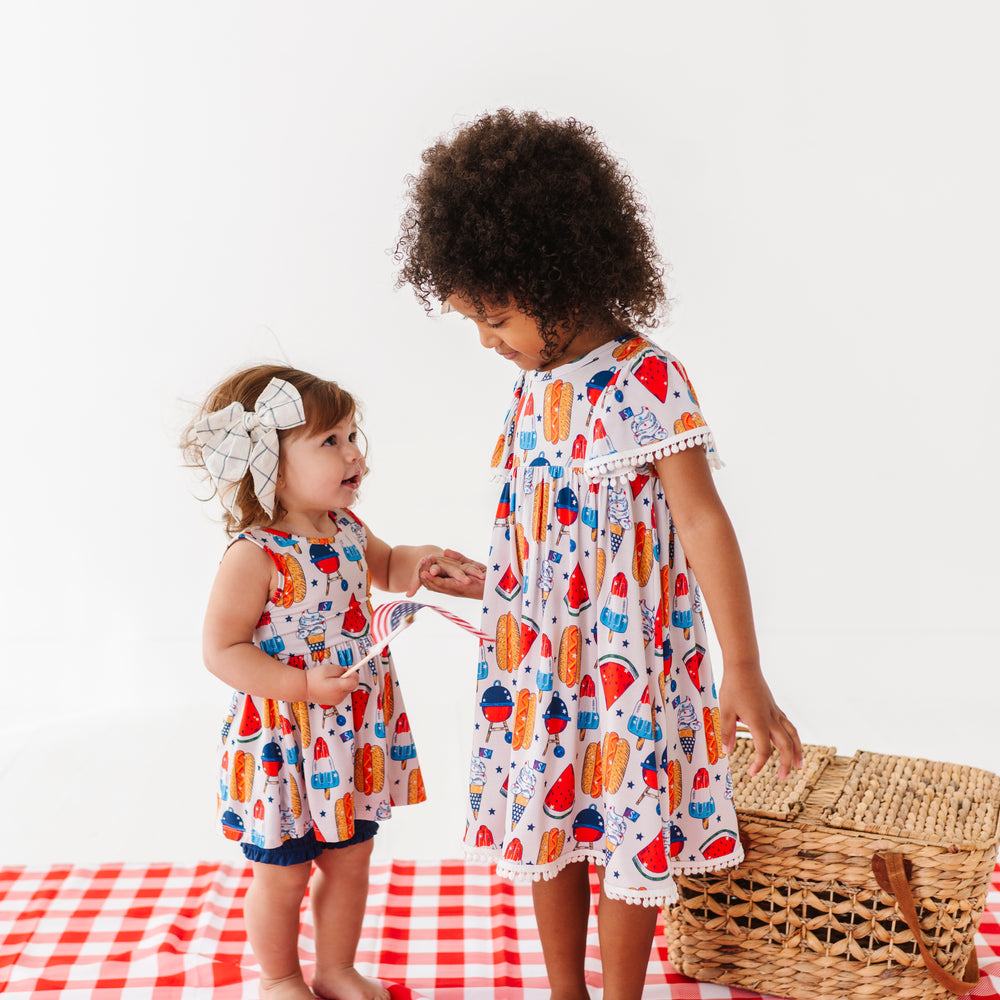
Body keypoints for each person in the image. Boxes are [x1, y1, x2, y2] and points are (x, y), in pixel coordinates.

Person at [395, 109, 803, 1000]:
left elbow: (702, 521)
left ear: (561, 278)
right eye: (474, 321)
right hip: (541, 661)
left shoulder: (645, 380)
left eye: (495, 317)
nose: (486, 341)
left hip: (628, 664)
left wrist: (743, 666)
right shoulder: (531, 389)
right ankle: (564, 991)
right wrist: (489, 582)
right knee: (549, 823)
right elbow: (548, 534)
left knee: (625, 821)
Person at [182, 365, 482, 1000]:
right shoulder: (255, 553)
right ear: (270, 465)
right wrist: (299, 687)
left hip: (348, 733)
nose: (354, 455)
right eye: (331, 441)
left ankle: (336, 969)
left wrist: (426, 563)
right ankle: (279, 977)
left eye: (352, 437)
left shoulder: (346, 529)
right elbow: (221, 650)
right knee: (284, 873)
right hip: (285, 739)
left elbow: (389, 565)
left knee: (350, 860)